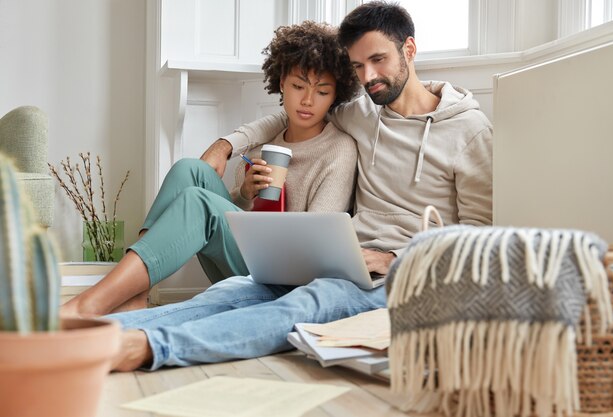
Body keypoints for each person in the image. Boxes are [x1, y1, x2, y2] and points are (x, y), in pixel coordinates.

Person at [110, 1, 493, 372]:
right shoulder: (363, 111)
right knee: (232, 291)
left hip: (404, 275)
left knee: (305, 305)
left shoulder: (469, 130)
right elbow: (291, 113)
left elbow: (480, 237)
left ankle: (147, 347)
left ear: (409, 49)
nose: (368, 77)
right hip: (343, 260)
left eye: (379, 60)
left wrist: (393, 259)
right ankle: (108, 330)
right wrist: (228, 144)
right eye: (358, 66)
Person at [61, 21, 360, 318]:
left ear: (336, 95)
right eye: (298, 86)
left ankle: (90, 304)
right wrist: (244, 194)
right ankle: (136, 292)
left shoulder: (339, 150)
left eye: (322, 91)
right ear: (282, 82)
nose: (308, 100)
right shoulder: (266, 142)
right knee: (189, 170)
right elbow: (238, 217)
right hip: (248, 263)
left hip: (287, 282)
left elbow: (317, 249)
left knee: (198, 203)